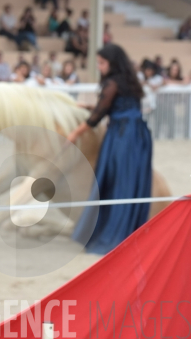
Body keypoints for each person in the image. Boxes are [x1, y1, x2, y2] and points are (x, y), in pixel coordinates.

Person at [69, 44, 151, 255]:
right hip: (139, 135)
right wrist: (90, 107)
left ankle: (113, 231)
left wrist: (75, 134)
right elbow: (117, 107)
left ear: (112, 63)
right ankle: (129, 228)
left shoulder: (112, 83)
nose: (100, 67)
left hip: (122, 136)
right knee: (131, 180)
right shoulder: (130, 81)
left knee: (117, 180)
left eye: (102, 63)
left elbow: (96, 118)